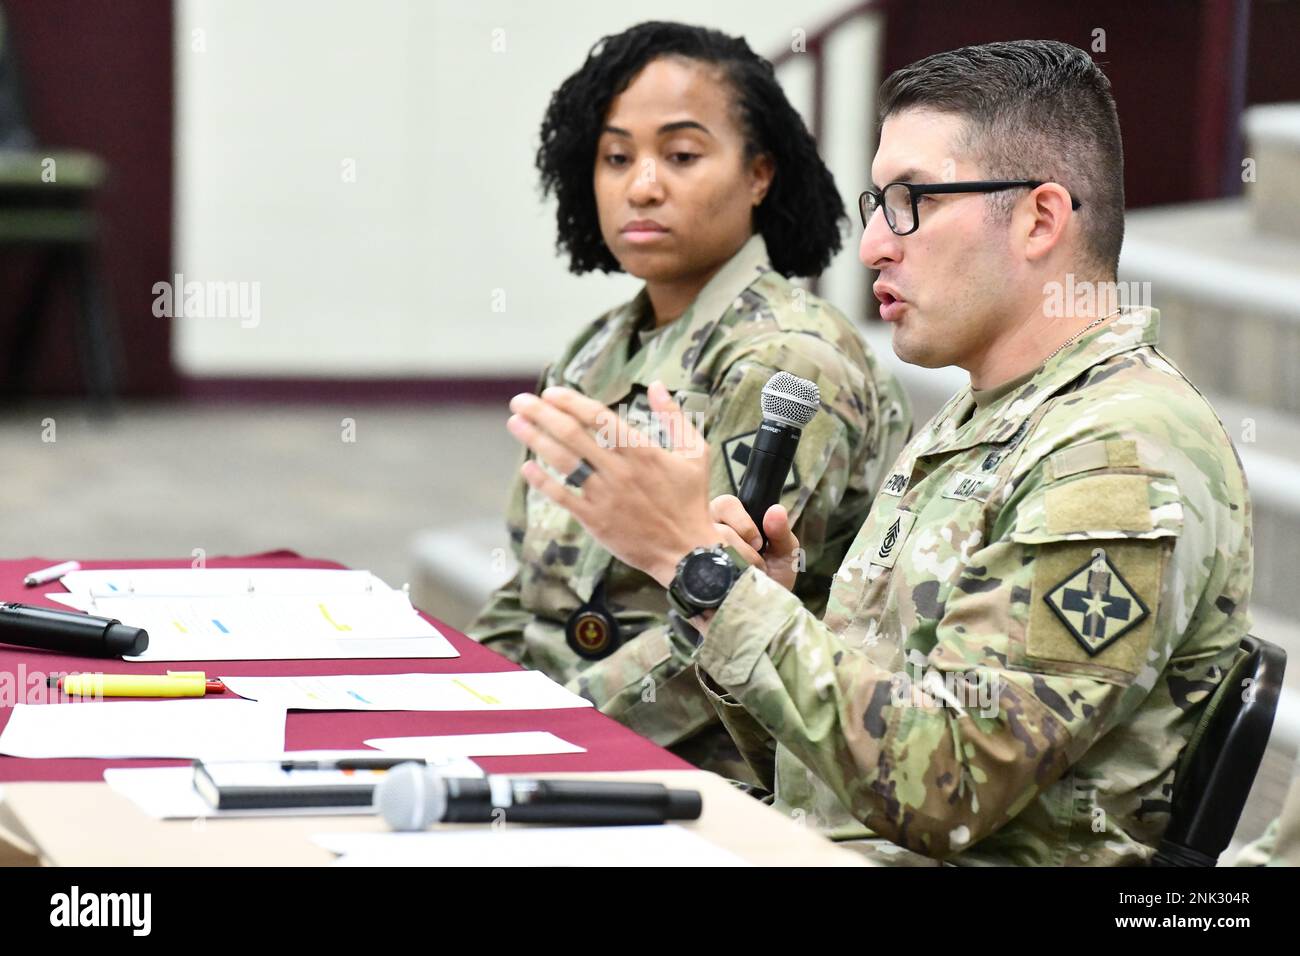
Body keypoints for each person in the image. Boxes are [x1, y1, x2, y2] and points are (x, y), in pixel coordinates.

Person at [503, 39, 1254, 865]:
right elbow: (824, 779)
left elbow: (950, 785)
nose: (873, 248)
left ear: (1040, 218)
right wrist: (757, 603)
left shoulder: (1117, 453)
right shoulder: (981, 420)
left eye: (914, 204)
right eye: (876, 206)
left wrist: (696, 568)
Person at [468, 21, 910, 781]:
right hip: (557, 739)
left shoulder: (783, 363)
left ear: (759, 175)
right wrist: (459, 702)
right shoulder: (597, 347)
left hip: (701, 772)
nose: (642, 184)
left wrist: (534, 730)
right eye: (616, 157)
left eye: (680, 155)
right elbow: (527, 590)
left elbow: (723, 620)